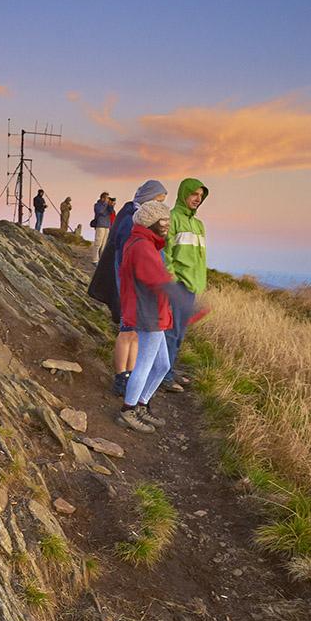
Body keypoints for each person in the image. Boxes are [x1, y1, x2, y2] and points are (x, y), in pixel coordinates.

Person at [116, 201, 198, 432]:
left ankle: (141, 404)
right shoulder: (142, 246)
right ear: (152, 221)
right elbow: (155, 280)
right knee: (144, 364)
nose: (168, 225)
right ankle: (128, 410)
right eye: (164, 221)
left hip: (154, 312)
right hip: (148, 314)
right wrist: (184, 301)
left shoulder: (147, 244)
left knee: (162, 365)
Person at [87, 180, 168, 395]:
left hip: (132, 288)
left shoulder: (132, 215)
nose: (160, 206)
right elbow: (124, 259)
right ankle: (121, 377)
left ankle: (128, 373)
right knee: (127, 332)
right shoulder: (131, 220)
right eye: (159, 201)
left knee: (133, 333)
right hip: (129, 288)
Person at [161, 178, 209, 392]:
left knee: (180, 333)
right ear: (184, 194)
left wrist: (199, 282)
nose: (197, 199)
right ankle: (164, 376)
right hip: (177, 285)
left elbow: (199, 257)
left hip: (192, 286)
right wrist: (171, 281)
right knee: (171, 332)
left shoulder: (199, 224)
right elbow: (165, 252)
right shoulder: (172, 218)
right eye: (194, 194)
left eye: (201, 196)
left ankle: (170, 369)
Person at [91, 192, 111, 262]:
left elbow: (111, 213)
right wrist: (106, 205)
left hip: (107, 225)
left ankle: (101, 259)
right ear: (102, 198)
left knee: (104, 244)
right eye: (107, 198)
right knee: (98, 243)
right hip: (100, 225)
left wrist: (111, 206)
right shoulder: (97, 205)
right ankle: (95, 259)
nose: (108, 199)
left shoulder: (108, 206)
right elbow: (100, 212)